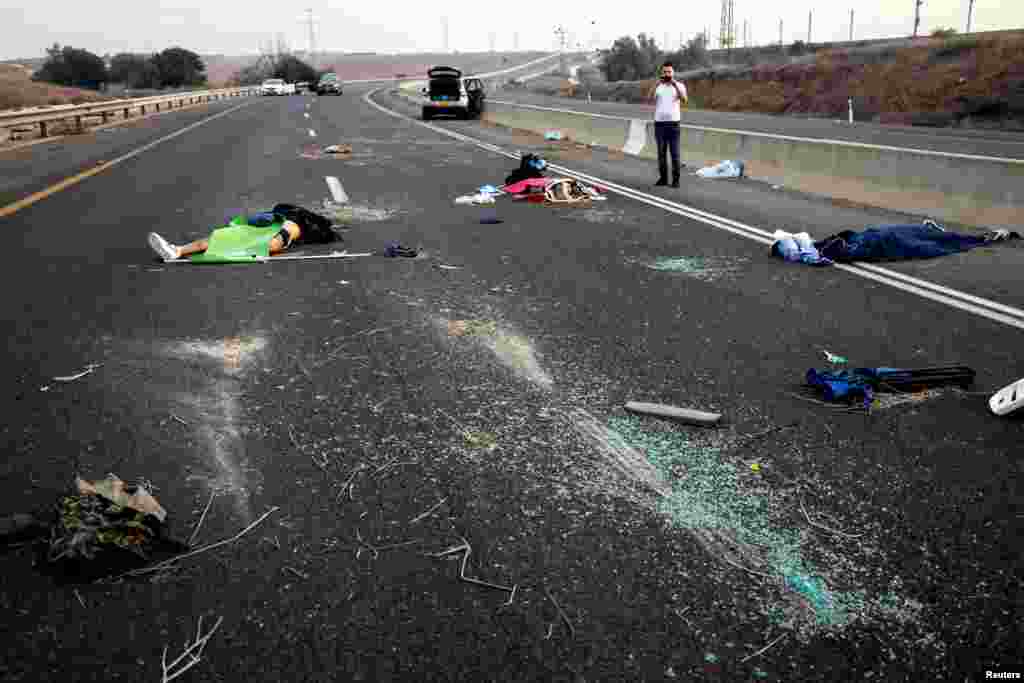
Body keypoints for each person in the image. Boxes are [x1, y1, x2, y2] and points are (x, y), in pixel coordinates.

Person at [147, 204, 341, 262]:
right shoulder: (296, 222)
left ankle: (178, 250)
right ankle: (177, 250)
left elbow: (281, 237)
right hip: (267, 232)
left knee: (222, 238)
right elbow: (280, 239)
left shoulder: (294, 221)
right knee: (223, 239)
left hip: (266, 232)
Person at [648, 61, 688, 188]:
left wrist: (674, 84)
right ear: (662, 73)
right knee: (661, 153)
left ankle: (676, 180)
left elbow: (685, 100)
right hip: (659, 124)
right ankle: (663, 178)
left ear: (673, 72)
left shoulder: (679, 85)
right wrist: (655, 84)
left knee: (675, 153)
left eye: (669, 72)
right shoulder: (658, 86)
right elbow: (649, 98)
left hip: (673, 124)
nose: (667, 74)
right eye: (665, 72)